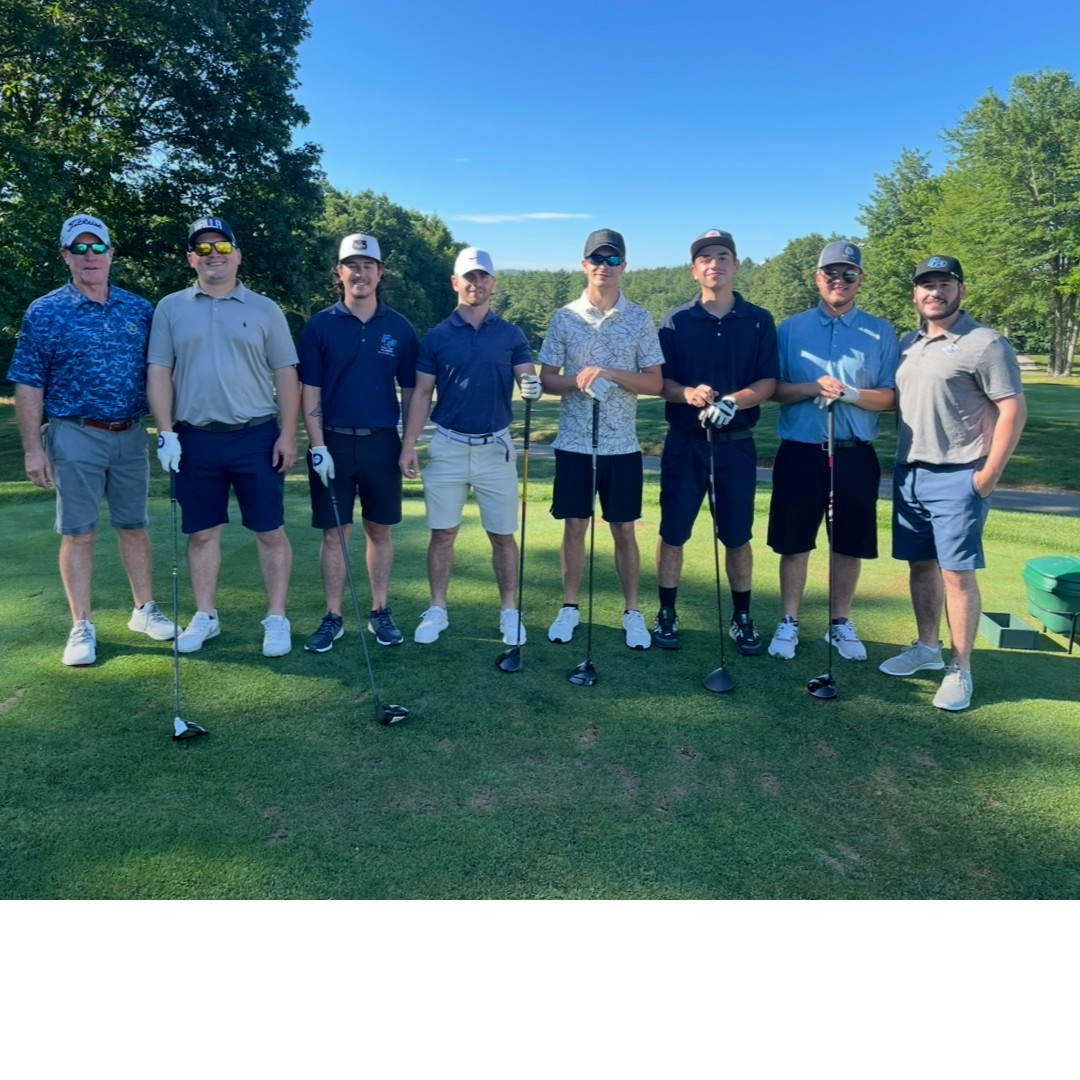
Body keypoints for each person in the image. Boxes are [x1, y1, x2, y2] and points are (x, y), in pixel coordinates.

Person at [8, 213, 176, 667]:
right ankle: (81, 624)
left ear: (111, 254)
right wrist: (32, 447)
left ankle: (144, 609)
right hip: (73, 433)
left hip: (130, 434)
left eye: (97, 248)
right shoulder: (45, 311)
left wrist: (169, 430)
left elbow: (160, 373)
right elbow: (28, 383)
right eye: (78, 249)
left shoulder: (139, 309)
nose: (89, 257)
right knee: (79, 533)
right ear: (65, 255)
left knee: (135, 527)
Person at [146, 215, 301, 657]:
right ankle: (206, 615)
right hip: (195, 438)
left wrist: (288, 435)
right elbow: (160, 370)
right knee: (202, 533)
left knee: (269, 530)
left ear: (237, 254)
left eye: (222, 247)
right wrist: (166, 433)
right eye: (204, 249)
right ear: (192, 258)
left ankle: (276, 617)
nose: (214, 256)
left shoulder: (265, 308)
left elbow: (286, 374)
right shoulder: (171, 307)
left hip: (255, 434)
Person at [880, 256, 1026, 711]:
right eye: (926, 285)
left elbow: (1012, 408)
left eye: (944, 284)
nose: (934, 292)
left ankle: (960, 668)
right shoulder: (910, 342)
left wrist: (988, 475)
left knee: (957, 574)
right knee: (920, 565)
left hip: (960, 474)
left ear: (960, 290)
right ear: (915, 294)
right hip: (910, 473)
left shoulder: (985, 344)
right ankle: (927, 648)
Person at [765, 241, 899, 661]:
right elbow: (774, 390)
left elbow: (891, 397)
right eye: (830, 274)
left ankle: (839, 622)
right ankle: (789, 620)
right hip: (802, 450)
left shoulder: (881, 331)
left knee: (848, 542)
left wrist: (852, 394)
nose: (838, 281)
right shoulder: (790, 329)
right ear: (816, 278)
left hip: (854, 452)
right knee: (794, 542)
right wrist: (810, 388)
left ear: (860, 279)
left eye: (847, 275)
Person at [398, 247, 539, 646]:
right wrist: (409, 444)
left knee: (503, 536)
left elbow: (527, 380)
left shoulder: (511, 334)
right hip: (447, 446)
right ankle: (438, 608)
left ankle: (509, 610)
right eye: (469, 277)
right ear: (455, 283)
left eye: (483, 277)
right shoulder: (438, 336)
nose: (476, 284)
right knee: (442, 534)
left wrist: (532, 386)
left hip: (496, 447)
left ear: (493, 282)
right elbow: (422, 394)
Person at [654, 229, 779, 654]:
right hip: (685, 442)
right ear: (694, 270)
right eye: (705, 258)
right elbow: (661, 381)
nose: (715, 263)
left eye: (723, 256)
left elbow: (767, 381)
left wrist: (733, 401)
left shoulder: (759, 319)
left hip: (736, 443)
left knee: (737, 535)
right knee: (673, 532)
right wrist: (687, 393)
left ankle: (742, 617)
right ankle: (667, 612)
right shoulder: (675, 320)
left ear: (736, 265)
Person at [538, 228, 664, 649]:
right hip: (574, 442)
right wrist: (580, 380)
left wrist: (608, 373)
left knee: (624, 529)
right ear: (584, 264)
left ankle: (632, 612)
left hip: (622, 445)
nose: (604, 267)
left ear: (623, 266)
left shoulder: (640, 317)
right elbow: (549, 380)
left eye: (612, 260)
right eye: (597, 259)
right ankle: (570, 607)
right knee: (575, 526)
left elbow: (654, 381)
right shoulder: (565, 317)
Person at [297, 233, 418, 653]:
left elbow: (412, 392)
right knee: (334, 533)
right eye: (352, 265)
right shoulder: (320, 325)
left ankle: (380, 611)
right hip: (332, 443)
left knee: (378, 531)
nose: (360, 272)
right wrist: (317, 445)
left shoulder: (399, 327)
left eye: (368, 266)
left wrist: (407, 444)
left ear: (379, 273)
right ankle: (333, 617)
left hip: (382, 442)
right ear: (340, 273)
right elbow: (308, 391)